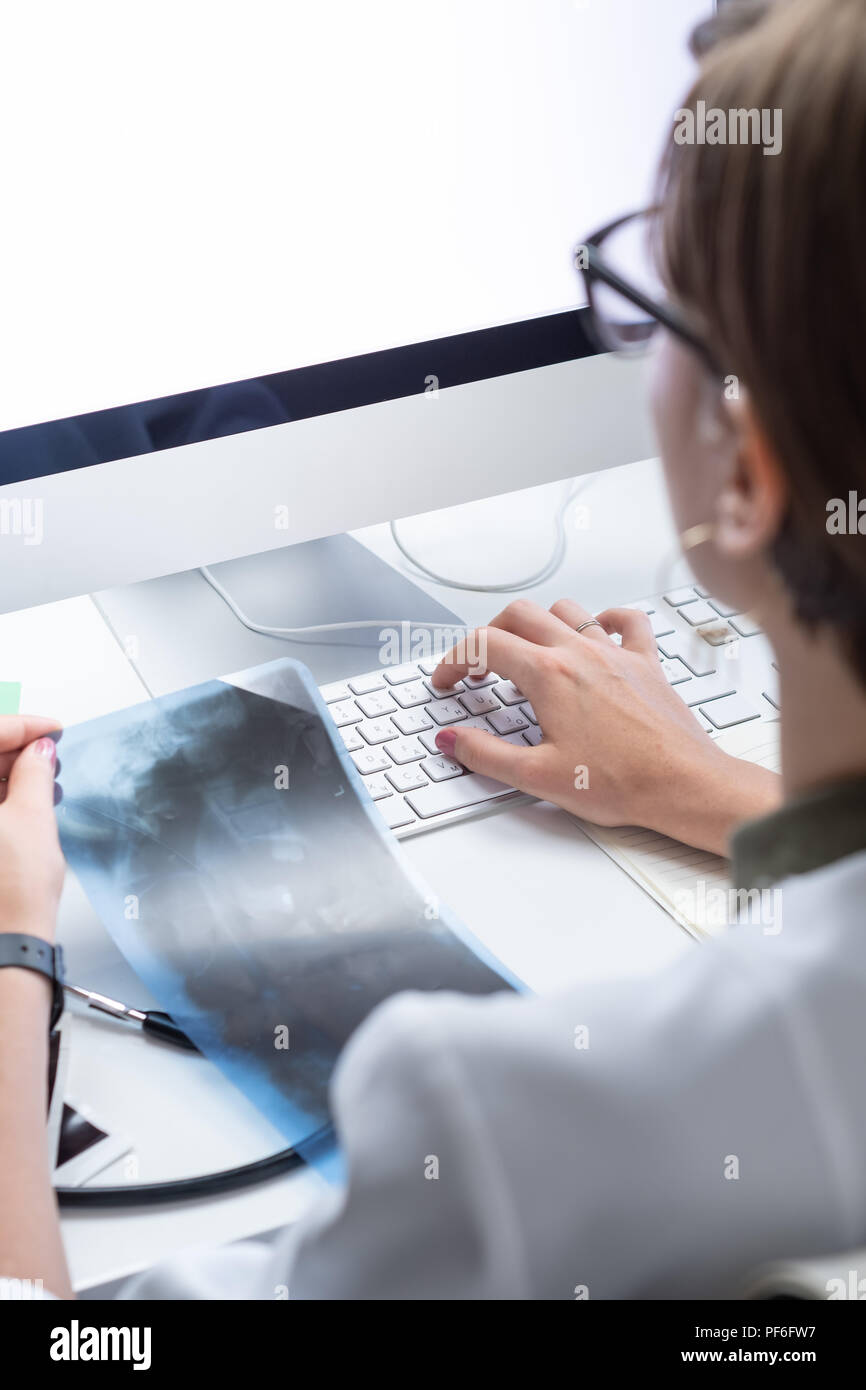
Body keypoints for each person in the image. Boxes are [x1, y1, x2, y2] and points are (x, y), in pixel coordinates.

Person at [2, 0, 866, 1299]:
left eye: (653, 300)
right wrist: (700, 787)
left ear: (744, 473)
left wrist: (19, 943)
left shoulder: (499, 1125)